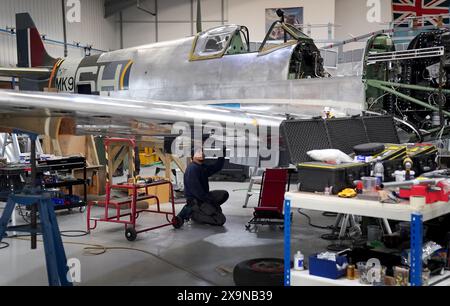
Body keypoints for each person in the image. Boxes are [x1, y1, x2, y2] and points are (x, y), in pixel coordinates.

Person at [177, 148, 229, 226]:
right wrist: (212, 203)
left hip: (203, 197)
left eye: (202, 152)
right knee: (220, 220)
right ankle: (194, 215)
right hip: (197, 201)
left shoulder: (201, 167)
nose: (202, 154)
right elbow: (198, 193)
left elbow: (216, 167)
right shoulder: (192, 169)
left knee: (224, 194)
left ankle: (206, 211)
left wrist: (222, 155)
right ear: (193, 156)